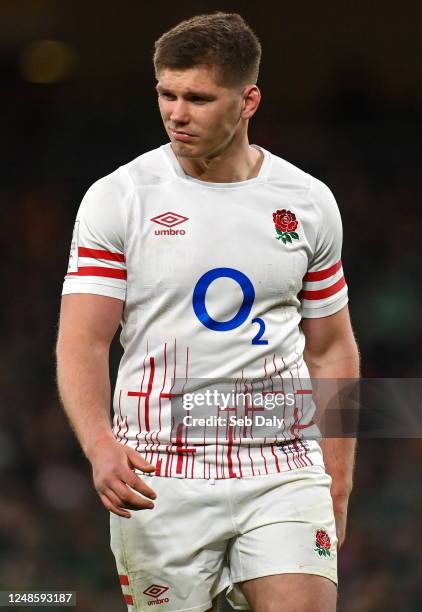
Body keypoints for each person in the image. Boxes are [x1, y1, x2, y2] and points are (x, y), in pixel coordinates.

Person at [56, 12, 359, 612]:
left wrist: (338, 480)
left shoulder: (307, 201)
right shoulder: (120, 197)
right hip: (157, 467)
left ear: (249, 101)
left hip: (281, 464)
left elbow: (331, 347)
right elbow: (83, 341)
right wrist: (99, 445)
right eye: (166, 94)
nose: (176, 112)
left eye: (197, 97)